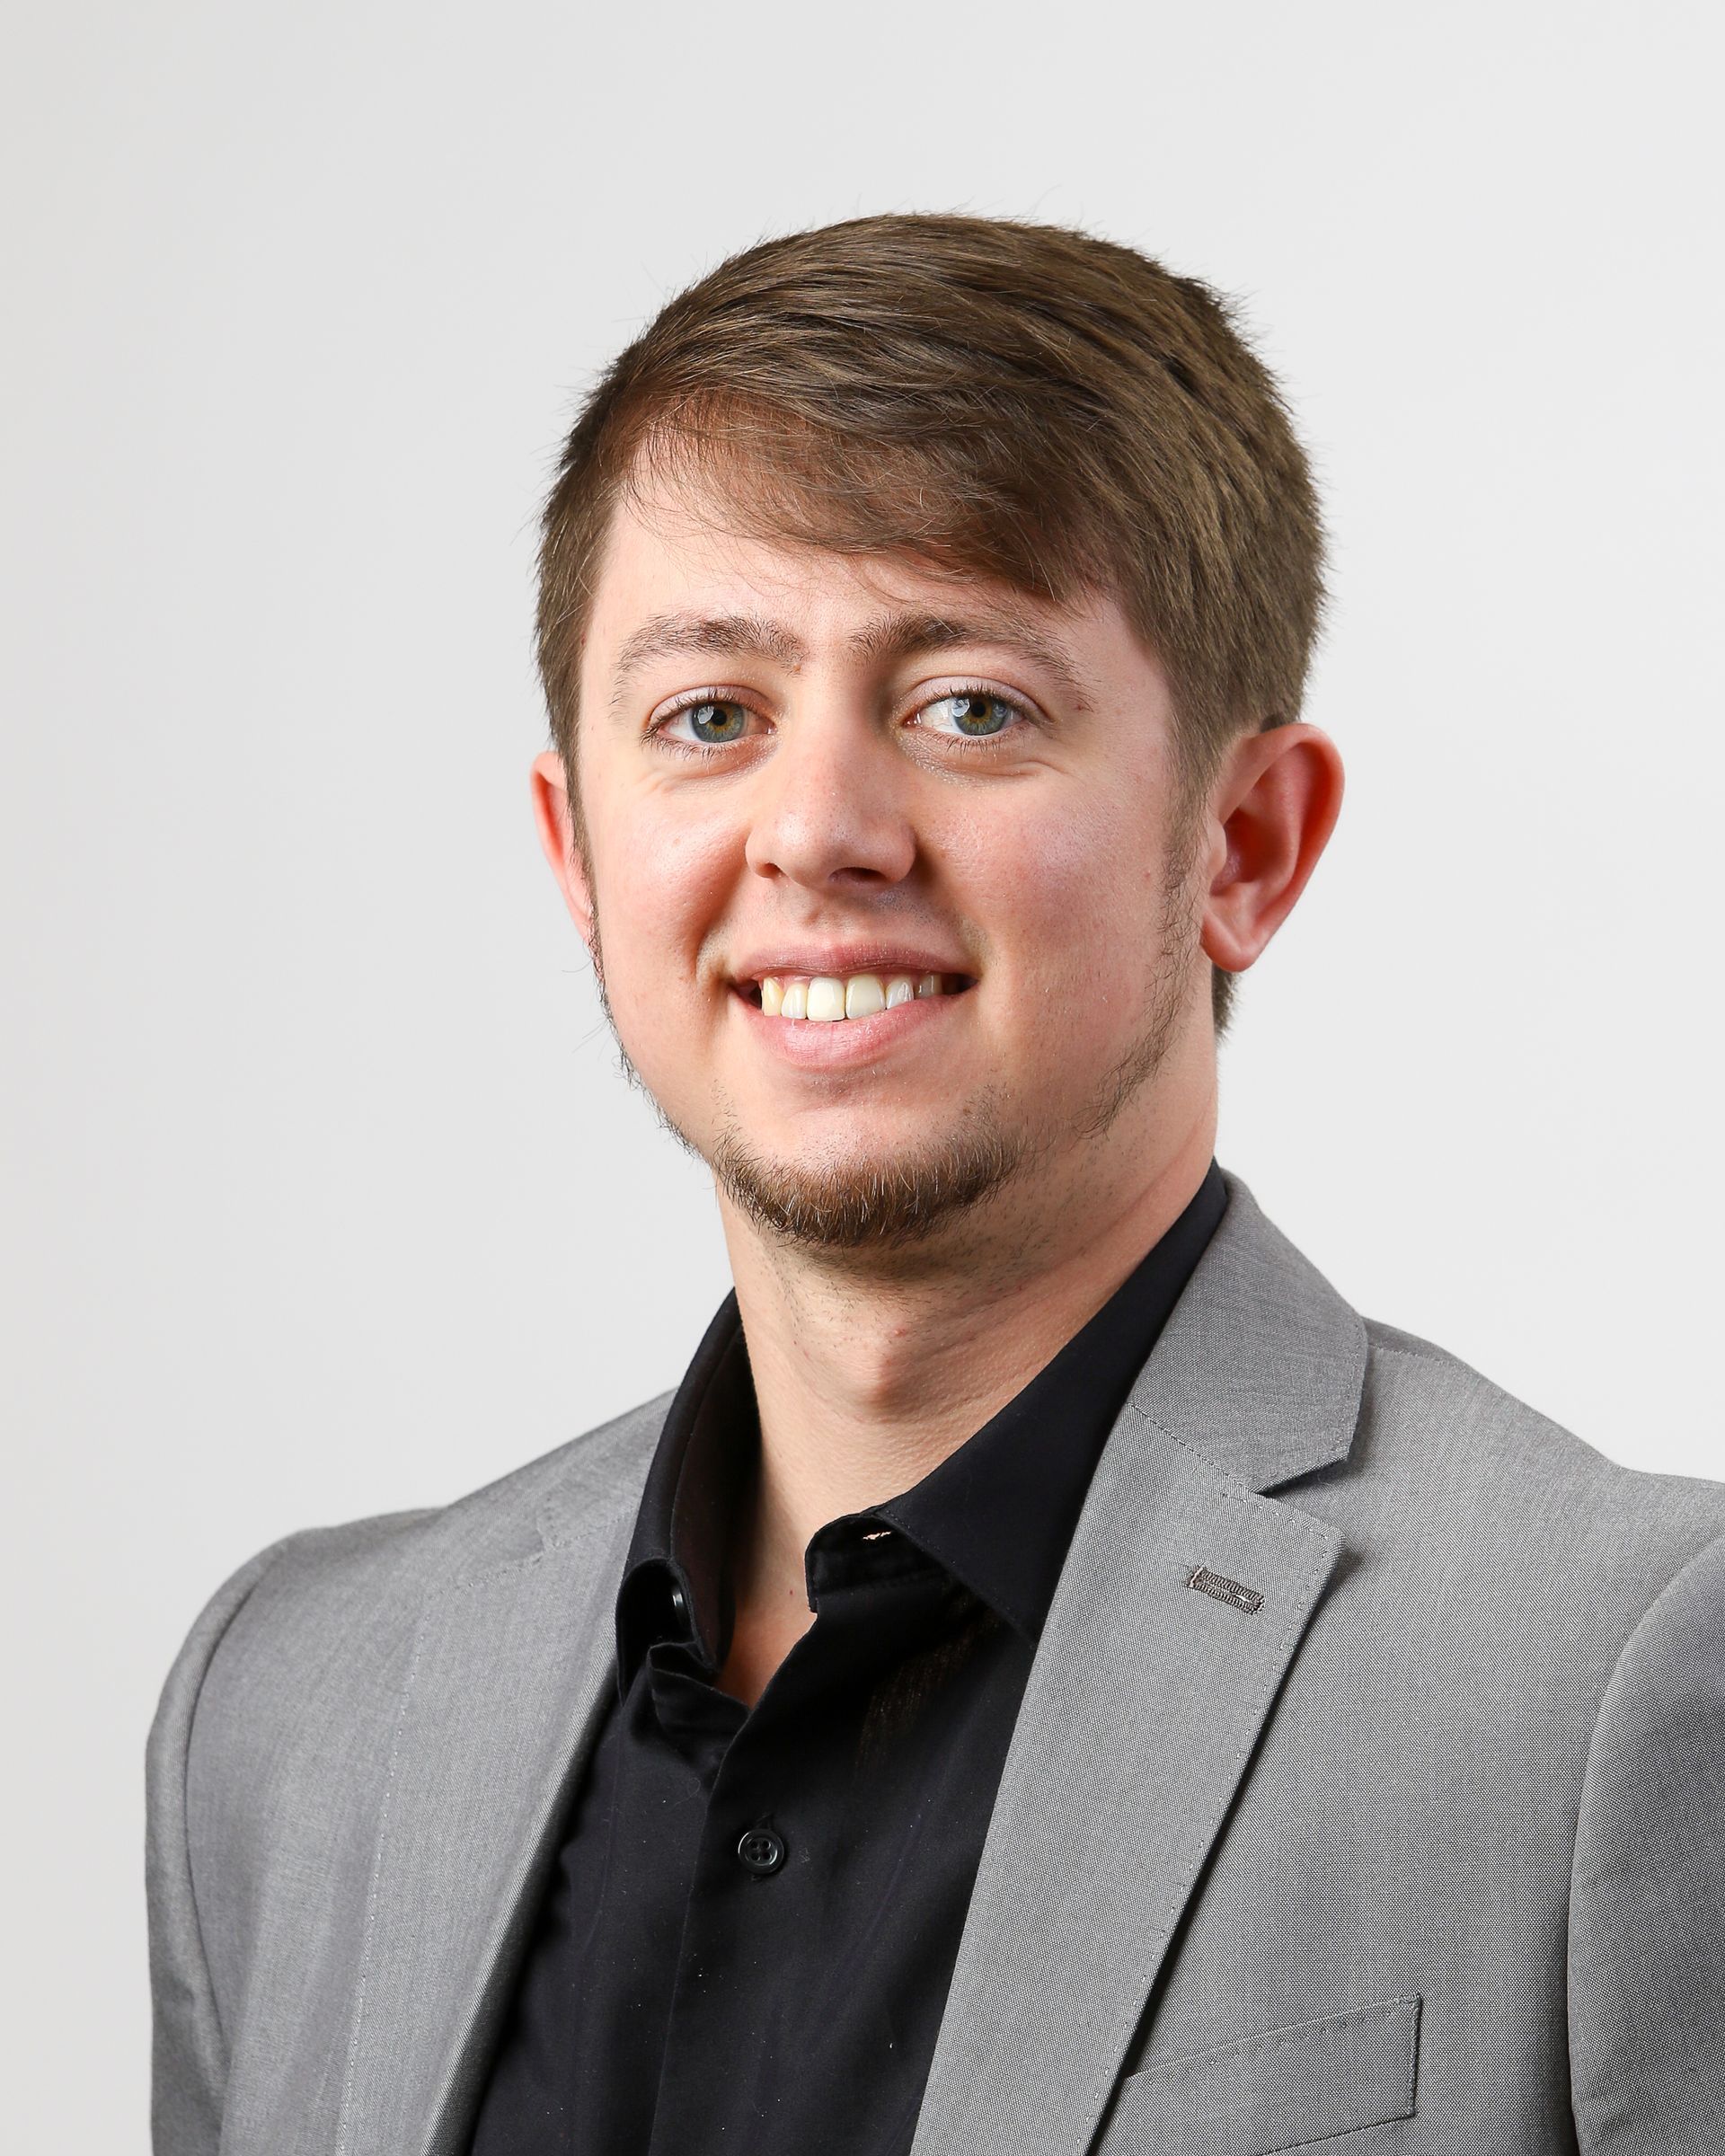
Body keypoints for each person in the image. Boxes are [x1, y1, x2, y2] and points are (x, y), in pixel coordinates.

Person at [146, 214, 1725, 2156]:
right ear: (578, 854)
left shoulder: (1616, 1687)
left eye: (970, 705)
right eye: (711, 717)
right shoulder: (289, 1719)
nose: (818, 831)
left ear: (1244, 842)